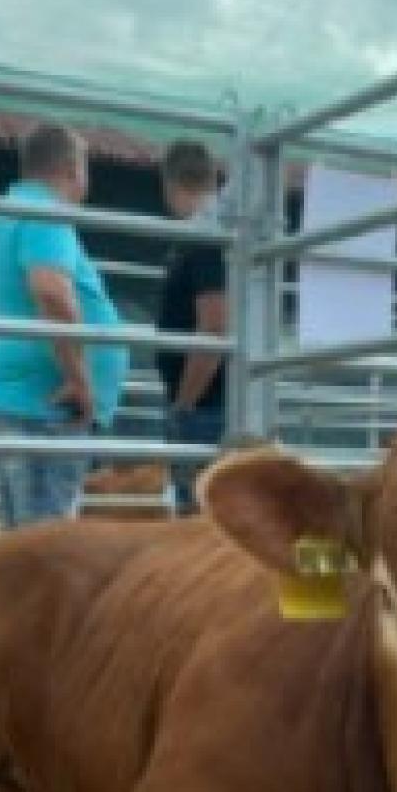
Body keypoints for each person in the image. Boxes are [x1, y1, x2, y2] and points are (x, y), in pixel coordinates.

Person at [0, 123, 128, 529]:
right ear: (73, 168)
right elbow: (51, 291)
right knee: (48, 541)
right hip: (44, 402)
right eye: (86, 169)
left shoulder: (6, 215)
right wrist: (79, 378)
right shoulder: (46, 214)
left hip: (18, 394)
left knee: (23, 539)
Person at [153, 139, 229, 513]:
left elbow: (214, 326)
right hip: (208, 401)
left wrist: (184, 404)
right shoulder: (213, 234)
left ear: (170, 184)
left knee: (198, 514)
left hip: (204, 405)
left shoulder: (204, 239)